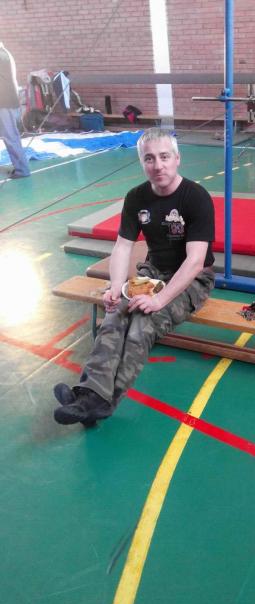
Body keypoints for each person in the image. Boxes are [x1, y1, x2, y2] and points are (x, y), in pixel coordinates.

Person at [53, 128, 215, 426]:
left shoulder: (196, 197)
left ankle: (101, 403)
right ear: (142, 162)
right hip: (152, 272)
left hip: (193, 279)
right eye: (149, 158)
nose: (158, 165)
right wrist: (116, 287)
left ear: (177, 158)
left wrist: (160, 300)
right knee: (115, 314)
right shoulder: (136, 197)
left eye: (164, 157)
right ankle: (89, 394)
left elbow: (195, 261)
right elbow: (123, 246)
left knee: (143, 323)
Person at [0, 41, 30, 179]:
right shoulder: (5, 53)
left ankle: (22, 170)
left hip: (5, 103)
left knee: (10, 136)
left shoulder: (2, 56)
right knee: (11, 136)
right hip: (9, 101)